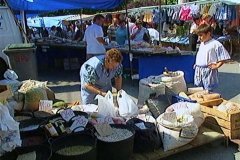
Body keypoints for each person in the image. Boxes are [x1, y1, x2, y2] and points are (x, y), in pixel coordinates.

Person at [194, 24, 230, 91]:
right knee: (199, 90)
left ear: (208, 33)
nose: (199, 37)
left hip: (208, 70)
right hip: (199, 70)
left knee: (208, 90)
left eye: (201, 35)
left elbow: (224, 57)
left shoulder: (215, 44)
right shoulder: (202, 43)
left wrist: (217, 66)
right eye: (198, 35)